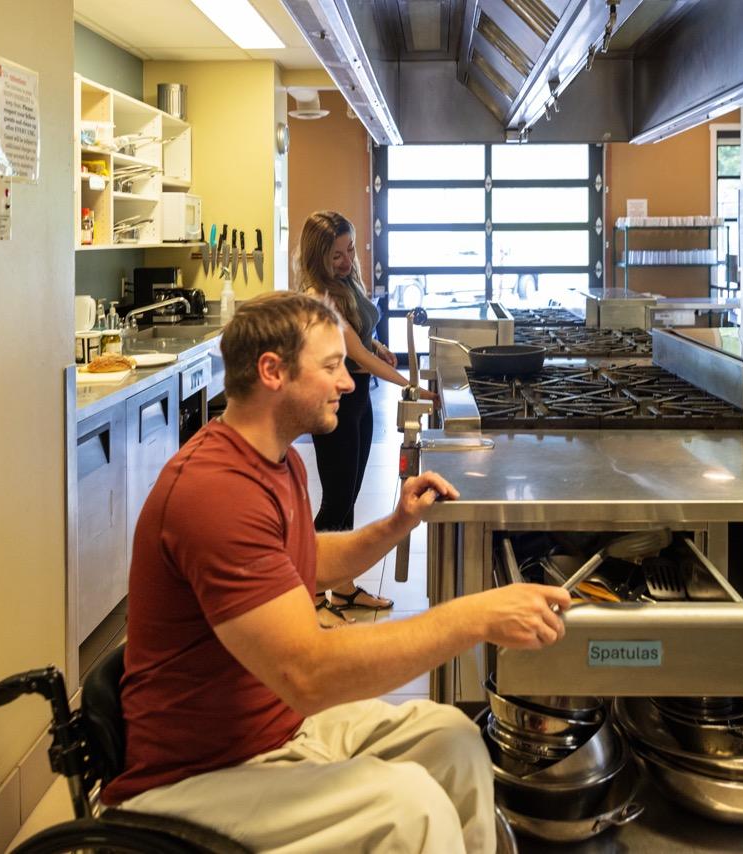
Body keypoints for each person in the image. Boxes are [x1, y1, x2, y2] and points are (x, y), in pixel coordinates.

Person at [103, 292, 569, 853]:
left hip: (278, 729)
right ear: (272, 372)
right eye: (331, 367)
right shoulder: (215, 491)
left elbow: (302, 562)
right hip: (197, 778)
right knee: (411, 810)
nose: (348, 383)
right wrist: (475, 618)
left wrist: (396, 523)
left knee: (454, 741)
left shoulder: (278, 460)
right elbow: (310, 673)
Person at [294, 210, 433, 627]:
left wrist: (379, 345)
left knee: (349, 496)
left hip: (358, 402)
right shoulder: (319, 295)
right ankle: (308, 592)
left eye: (350, 250)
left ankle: (343, 584)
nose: (346, 261)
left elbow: (360, 338)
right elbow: (355, 353)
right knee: (336, 500)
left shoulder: (345, 284)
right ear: (318, 256)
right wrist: (411, 386)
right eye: (336, 255)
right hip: (334, 403)